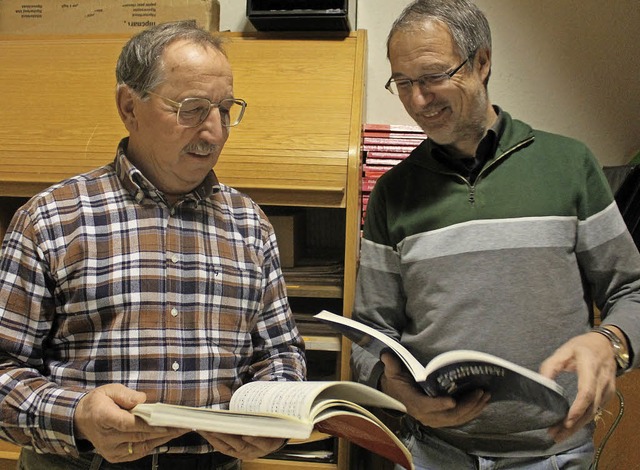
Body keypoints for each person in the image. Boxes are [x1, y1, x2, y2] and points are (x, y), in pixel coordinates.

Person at [0, 20, 306, 470]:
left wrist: (273, 416)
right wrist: (79, 415)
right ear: (129, 107)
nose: (214, 132)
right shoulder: (49, 220)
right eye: (192, 108)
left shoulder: (250, 225)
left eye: (224, 109)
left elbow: (279, 354)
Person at [351, 0, 640, 468]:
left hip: (554, 454)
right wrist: (394, 388)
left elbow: (633, 289)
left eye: (431, 77)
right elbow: (370, 333)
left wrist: (610, 342)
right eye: (402, 83)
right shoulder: (392, 191)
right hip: (435, 452)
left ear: (481, 62)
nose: (417, 100)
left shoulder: (569, 166)